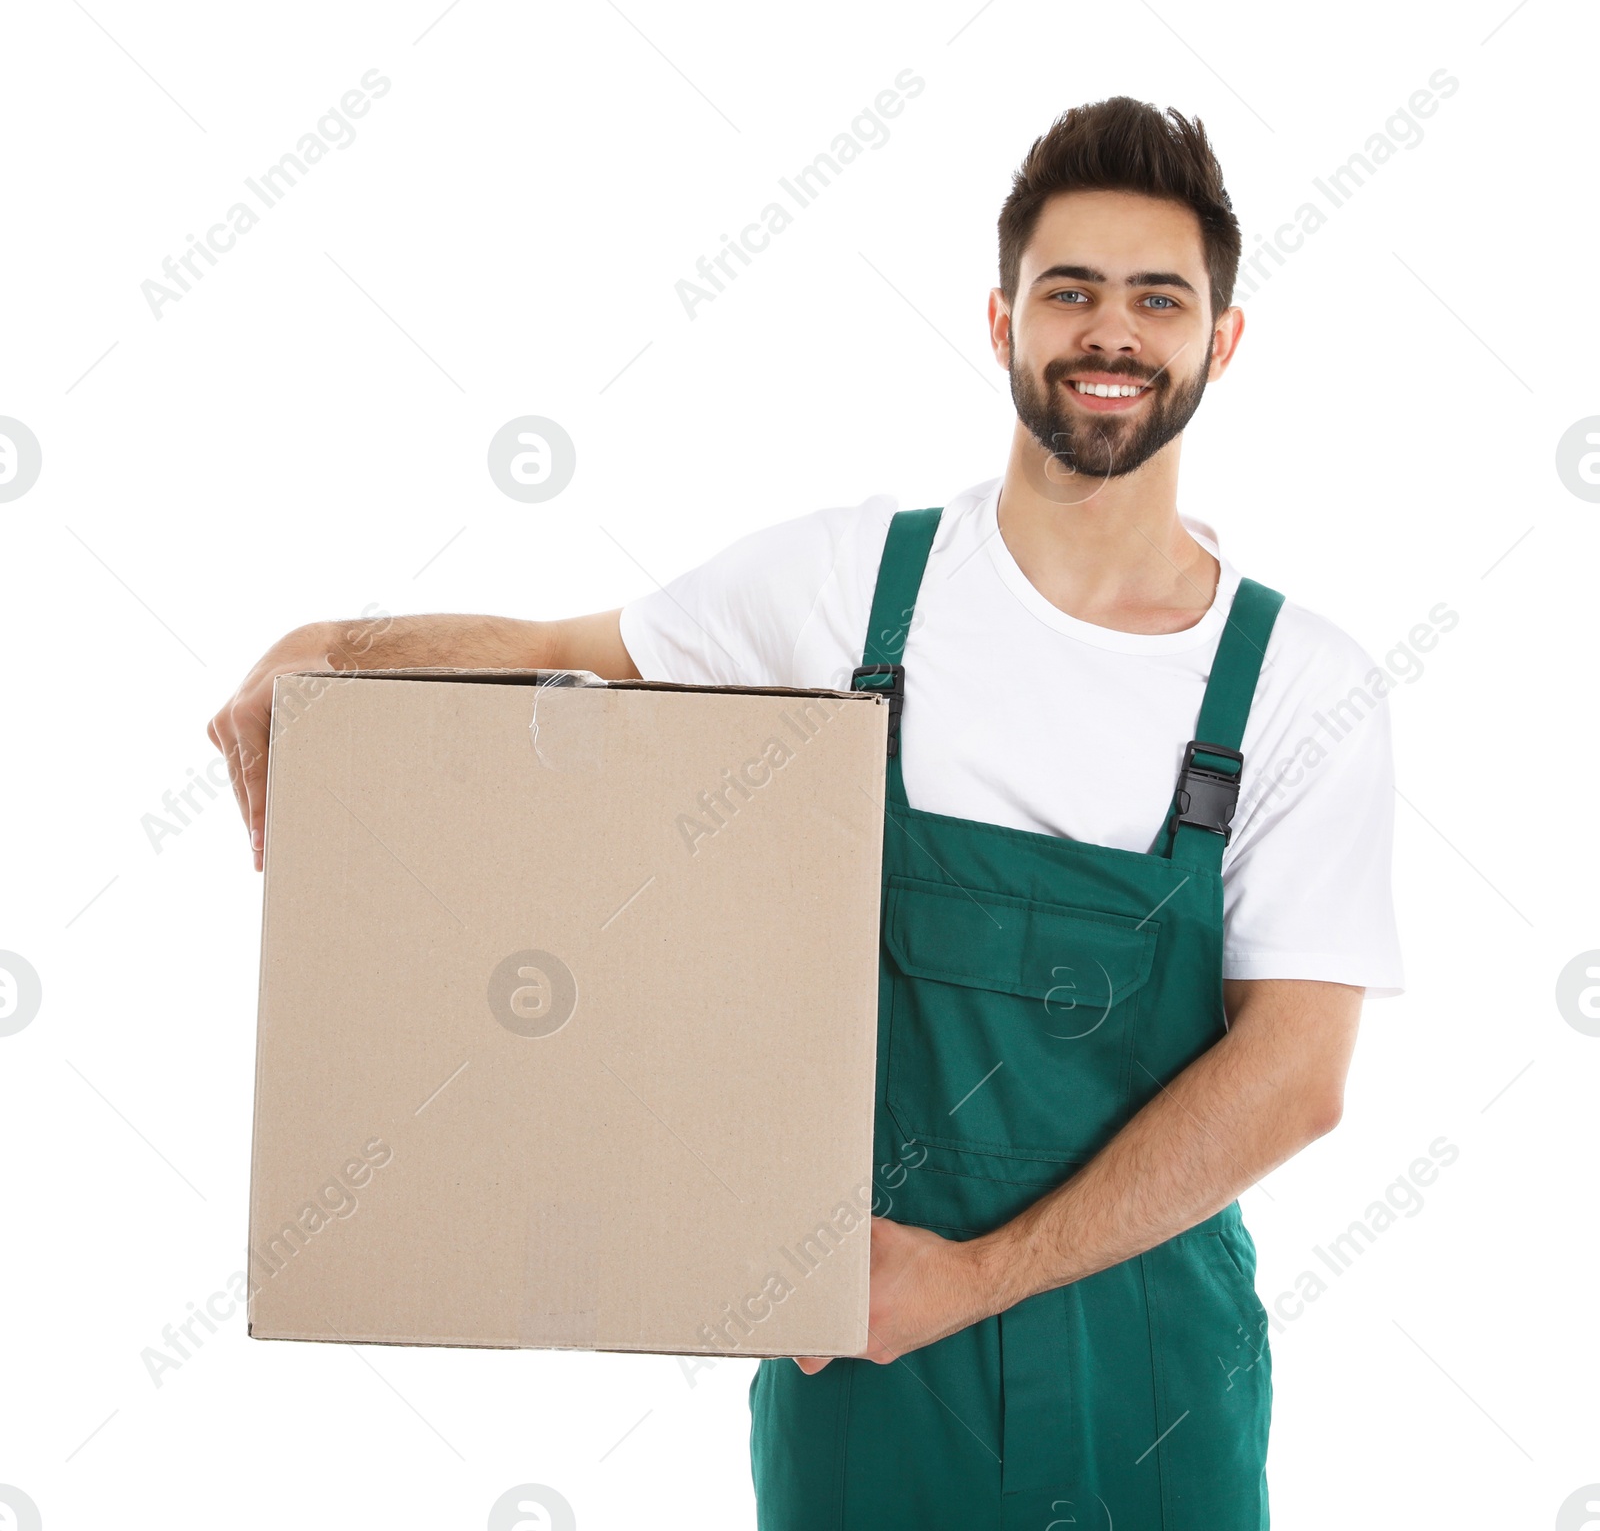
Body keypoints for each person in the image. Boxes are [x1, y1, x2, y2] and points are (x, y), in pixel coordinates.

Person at [209, 96, 1402, 1529]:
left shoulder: (1294, 683)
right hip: (857, 1368)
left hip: (1150, 1380)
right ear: (1001, 315)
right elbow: (563, 656)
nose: (1112, 333)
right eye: (1069, 290)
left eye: (1159, 297)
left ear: (1223, 338)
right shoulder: (853, 594)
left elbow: (1296, 1076)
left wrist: (973, 1279)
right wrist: (333, 650)